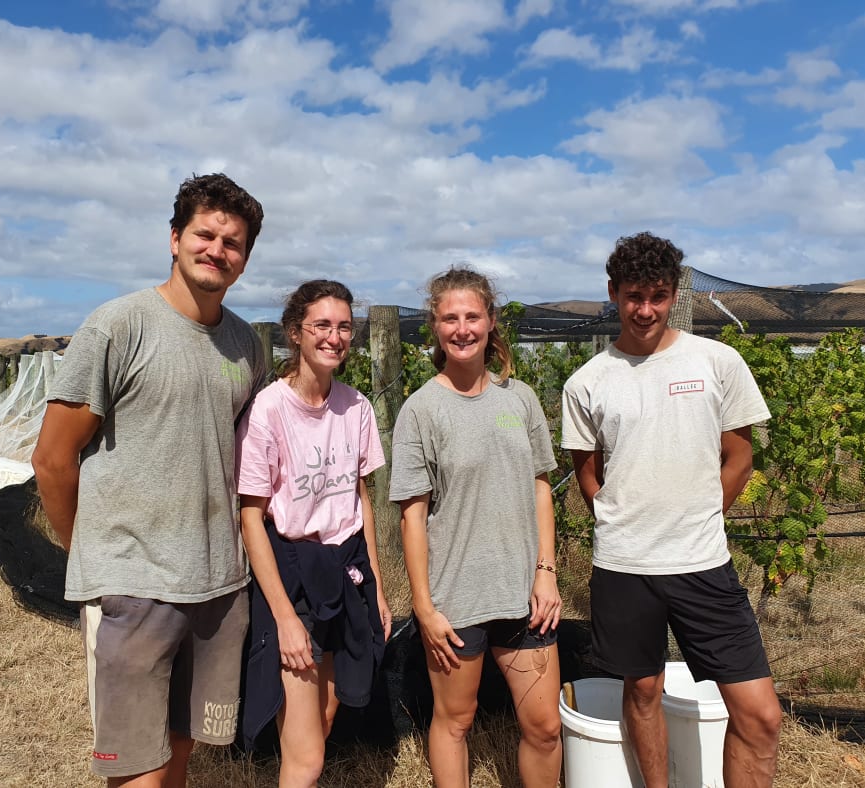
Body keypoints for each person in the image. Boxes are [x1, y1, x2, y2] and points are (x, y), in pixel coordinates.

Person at [31, 173, 266, 787]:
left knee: (182, 750)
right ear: (173, 239)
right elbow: (53, 459)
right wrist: (93, 554)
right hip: (137, 583)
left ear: (244, 258)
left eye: (233, 242)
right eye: (204, 234)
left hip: (218, 583)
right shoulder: (120, 327)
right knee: (136, 768)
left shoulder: (245, 345)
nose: (217, 250)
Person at [561, 231, 782, 788]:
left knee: (759, 714)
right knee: (641, 692)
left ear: (674, 294)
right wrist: (622, 523)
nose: (644, 309)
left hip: (703, 562)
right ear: (612, 293)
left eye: (657, 296)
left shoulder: (717, 361)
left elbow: (738, 457)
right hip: (625, 567)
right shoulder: (588, 382)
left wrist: (700, 516)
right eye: (633, 295)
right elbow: (588, 473)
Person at [390, 267, 563, 788]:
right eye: (450, 318)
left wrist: (546, 572)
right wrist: (423, 605)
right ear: (435, 329)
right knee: (455, 721)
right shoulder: (421, 410)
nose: (462, 328)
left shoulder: (520, 401)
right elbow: (412, 515)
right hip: (456, 597)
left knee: (546, 726)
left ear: (490, 322)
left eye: (472, 316)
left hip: (524, 593)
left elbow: (539, 488)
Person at [236, 280, 391, 787]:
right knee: (307, 757)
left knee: (325, 717)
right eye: (322, 325)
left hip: (347, 569)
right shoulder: (269, 410)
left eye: (344, 326)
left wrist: (378, 590)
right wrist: (283, 616)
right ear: (295, 334)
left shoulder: (357, 407)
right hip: (295, 576)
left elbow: (359, 498)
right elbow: (251, 516)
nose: (335, 337)